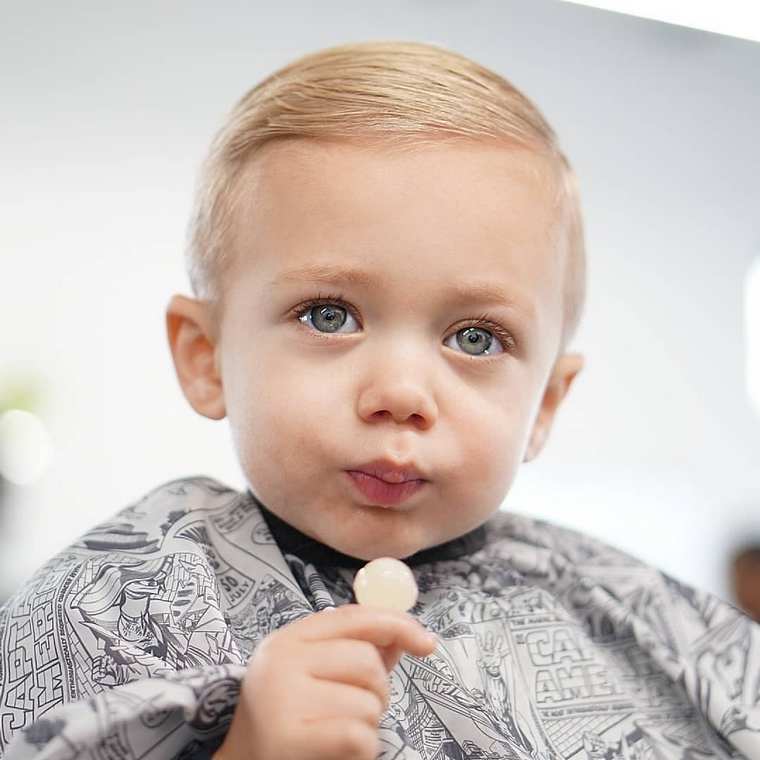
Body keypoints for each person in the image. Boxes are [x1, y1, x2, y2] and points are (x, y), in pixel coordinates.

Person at [0, 39, 758, 760]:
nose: (399, 394)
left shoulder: (620, 610)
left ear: (548, 403)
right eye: (330, 315)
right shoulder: (124, 594)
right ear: (207, 358)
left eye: (476, 338)